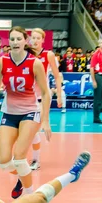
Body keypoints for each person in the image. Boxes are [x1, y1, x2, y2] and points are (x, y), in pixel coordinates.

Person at [0, 27, 52, 199]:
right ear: (8, 42)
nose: (15, 42)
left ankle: (30, 196)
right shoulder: (2, 62)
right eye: (12, 39)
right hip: (9, 113)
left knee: (19, 157)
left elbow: (46, 92)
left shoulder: (35, 63)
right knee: (4, 162)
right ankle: (21, 177)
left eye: (19, 39)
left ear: (25, 41)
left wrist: (46, 120)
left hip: (30, 112)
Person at [27, 28, 64, 172]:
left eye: (38, 38)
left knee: (35, 128)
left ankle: (36, 159)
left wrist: (59, 94)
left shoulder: (48, 55)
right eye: (33, 38)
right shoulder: (27, 54)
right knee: (30, 131)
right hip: (28, 97)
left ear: (43, 40)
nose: (35, 40)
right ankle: (30, 157)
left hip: (43, 97)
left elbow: (56, 75)